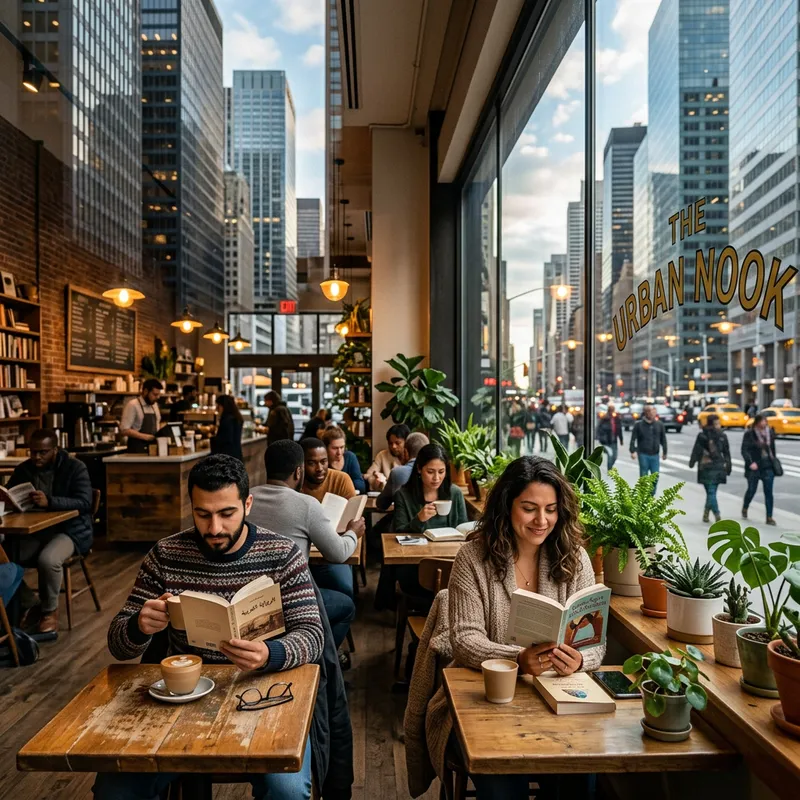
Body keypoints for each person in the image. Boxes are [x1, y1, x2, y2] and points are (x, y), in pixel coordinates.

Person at [96, 455, 323, 800]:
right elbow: (118, 643)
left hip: (264, 693)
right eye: (203, 514)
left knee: (287, 791)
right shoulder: (166, 553)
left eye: (226, 513)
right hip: (181, 696)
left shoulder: (282, 553)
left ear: (247, 504)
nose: (214, 528)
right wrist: (139, 626)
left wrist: (269, 653)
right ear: (191, 507)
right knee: (116, 790)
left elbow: (312, 634)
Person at [415, 457, 604, 798]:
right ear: (507, 505)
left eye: (551, 509)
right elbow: (465, 640)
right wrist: (519, 659)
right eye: (529, 508)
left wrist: (579, 660)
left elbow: (593, 644)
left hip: (557, 701)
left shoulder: (574, 558)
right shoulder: (473, 558)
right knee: (505, 786)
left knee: (578, 776)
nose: (541, 520)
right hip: (486, 701)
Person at [250, 440, 365, 649]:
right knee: (346, 605)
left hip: (251, 602)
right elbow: (338, 554)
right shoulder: (306, 504)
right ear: (298, 472)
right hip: (291, 603)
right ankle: (318, 658)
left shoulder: (246, 499)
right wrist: (352, 533)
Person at [7, 429, 93, 633]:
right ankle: (29, 602)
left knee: (48, 560)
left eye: (42, 452)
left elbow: (85, 501)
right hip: (35, 530)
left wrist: (50, 502)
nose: (36, 457)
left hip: (71, 530)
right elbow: (10, 492)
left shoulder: (75, 467)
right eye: (33, 452)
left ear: (55, 450)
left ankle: (49, 611)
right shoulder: (24, 469)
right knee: (4, 558)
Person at [392, 443, 467, 534]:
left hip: (450, 547)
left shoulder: (455, 493)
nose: (436, 478)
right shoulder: (402, 496)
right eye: (430, 472)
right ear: (419, 469)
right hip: (416, 548)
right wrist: (419, 519)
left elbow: (464, 529)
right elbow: (398, 533)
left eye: (441, 472)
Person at [688, 414, 731, 523]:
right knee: (711, 492)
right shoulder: (713, 436)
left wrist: (692, 462)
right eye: (717, 423)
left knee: (711, 492)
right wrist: (728, 464)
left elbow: (696, 450)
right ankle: (712, 514)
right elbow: (697, 450)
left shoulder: (709, 435)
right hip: (711, 466)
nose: (719, 425)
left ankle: (711, 514)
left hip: (710, 466)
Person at [375, 432, 429, 512]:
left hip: (404, 521)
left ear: (406, 452)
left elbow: (382, 504)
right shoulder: (436, 474)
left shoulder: (398, 473)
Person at [741, 413, 778, 525]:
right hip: (754, 466)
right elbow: (744, 450)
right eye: (762, 421)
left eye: (765, 421)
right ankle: (745, 507)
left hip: (767, 465)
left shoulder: (769, 433)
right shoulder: (750, 434)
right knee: (751, 490)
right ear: (757, 422)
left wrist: (773, 461)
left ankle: (769, 517)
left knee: (769, 492)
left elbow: (772, 449)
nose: (764, 423)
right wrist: (750, 462)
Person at [300, 438, 357, 502]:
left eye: (323, 462)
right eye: (312, 463)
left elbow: (353, 510)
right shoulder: (294, 482)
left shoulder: (341, 480)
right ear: (301, 464)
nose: (319, 468)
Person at [630, 403, 667, 493]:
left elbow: (663, 439)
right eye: (650, 411)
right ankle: (643, 495)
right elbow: (633, 439)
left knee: (655, 476)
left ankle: (651, 495)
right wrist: (632, 451)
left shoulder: (659, 424)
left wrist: (665, 452)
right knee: (644, 476)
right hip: (643, 453)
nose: (653, 413)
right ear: (646, 413)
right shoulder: (639, 425)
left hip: (655, 454)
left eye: (654, 411)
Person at [120, 378, 162, 454]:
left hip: (153, 448)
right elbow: (124, 430)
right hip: (136, 449)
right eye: (155, 394)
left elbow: (157, 425)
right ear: (145, 391)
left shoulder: (154, 405)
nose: (158, 397)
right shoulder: (133, 405)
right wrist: (146, 437)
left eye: (159, 395)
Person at [365, 423, 409, 490]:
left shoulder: (414, 456)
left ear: (407, 442)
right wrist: (376, 481)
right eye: (390, 443)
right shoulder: (382, 455)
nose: (393, 446)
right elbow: (369, 475)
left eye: (397, 443)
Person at [322, 426, 366, 494]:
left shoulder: (350, 457)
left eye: (342, 447)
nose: (339, 452)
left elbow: (361, 486)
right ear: (326, 448)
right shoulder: (322, 462)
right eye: (335, 448)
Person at [211, 394, 243, 461]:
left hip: (227, 457)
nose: (217, 408)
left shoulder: (227, 420)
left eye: (218, 406)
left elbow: (226, 439)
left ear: (224, 406)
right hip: (236, 455)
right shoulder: (236, 418)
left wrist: (212, 439)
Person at [596, 403, 624, 471]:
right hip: (607, 440)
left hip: (614, 440)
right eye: (610, 410)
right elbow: (599, 428)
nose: (612, 412)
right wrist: (600, 438)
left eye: (613, 410)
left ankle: (610, 467)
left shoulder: (616, 418)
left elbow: (619, 429)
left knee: (615, 456)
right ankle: (610, 470)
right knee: (610, 456)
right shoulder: (605, 418)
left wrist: (621, 439)